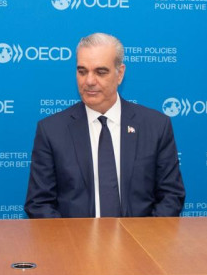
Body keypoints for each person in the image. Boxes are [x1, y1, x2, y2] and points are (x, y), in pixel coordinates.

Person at [25, 32, 185, 218]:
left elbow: (171, 196)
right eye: (82, 71)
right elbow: (39, 204)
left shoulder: (156, 126)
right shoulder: (51, 131)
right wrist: (71, 243)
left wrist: (144, 240)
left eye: (100, 72)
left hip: (140, 242)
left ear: (120, 73)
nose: (89, 81)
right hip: (74, 243)